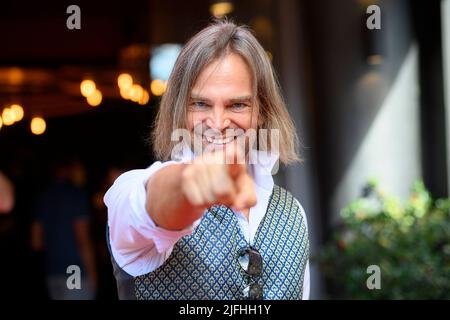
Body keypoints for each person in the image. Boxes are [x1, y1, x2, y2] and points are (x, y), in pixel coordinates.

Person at [105, 20, 310, 300]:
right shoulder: (129, 190)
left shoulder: (293, 212)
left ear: (261, 110)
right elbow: (153, 203)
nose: (217, 122)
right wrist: (193, 184)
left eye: (237, 104)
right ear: (181, 108)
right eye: (200, 104)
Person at [31, 158, 97, 300]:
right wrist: (93, 275)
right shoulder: (77, 195)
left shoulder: (43, 197)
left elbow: (36, 242)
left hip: (53, 272)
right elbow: (82, 240)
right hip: (74, 270)